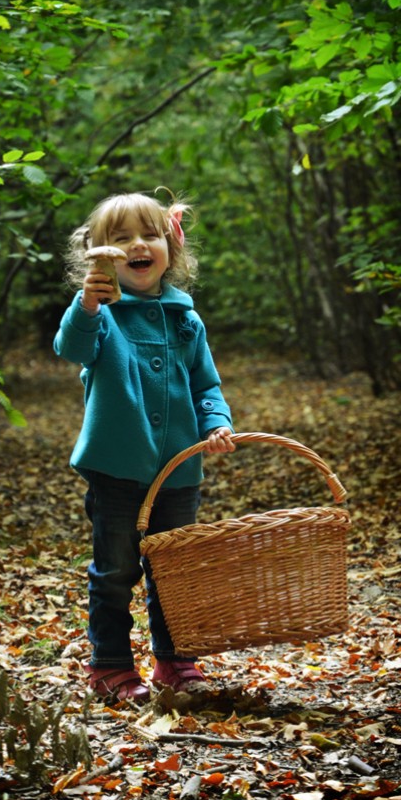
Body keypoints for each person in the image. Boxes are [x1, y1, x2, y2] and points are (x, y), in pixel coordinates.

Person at [53, 190, 235, 703]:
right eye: (121, 237)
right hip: (117, 468)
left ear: (169, 250)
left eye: (150, 234)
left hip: (178, 469)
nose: (137, 244)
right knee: (115, 570)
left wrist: (216, 424)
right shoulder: (101, 314)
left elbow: (206, 386)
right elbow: (71, 347)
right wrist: (88, 300)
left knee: (174, 568)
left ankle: (174, 661)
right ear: (99, 252)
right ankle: (109, 664)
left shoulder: (185, 319)